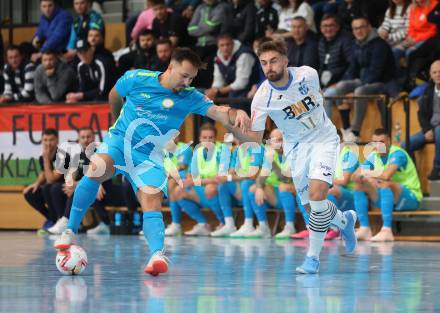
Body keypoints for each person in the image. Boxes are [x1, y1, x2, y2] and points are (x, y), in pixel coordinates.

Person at [54, 47, 251, 277]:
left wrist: (237, 112)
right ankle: (70, 230)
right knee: (97, 168)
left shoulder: (190, 96)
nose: (186, 82)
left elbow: (218, 111)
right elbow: (114, 96)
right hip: (120, 141)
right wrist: (117, 120)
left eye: (191, 78)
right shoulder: (137, 78)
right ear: (170, 67)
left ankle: (157, 254)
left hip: (150, 154)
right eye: (184, 75)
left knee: (151, 198)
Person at [235, 40, 357, 274]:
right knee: (313, 210)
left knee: (318, 194)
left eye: (273, 61)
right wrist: (237, 124)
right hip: (296, 149)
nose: (268, 67)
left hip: (323, 139)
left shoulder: (308, 75)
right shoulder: (261, 98)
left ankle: (312, 259)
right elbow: (255, 138)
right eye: (263, 63)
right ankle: (343, 221)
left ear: (285, 61)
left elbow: (318, 101)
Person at [352, 128, 422, 241]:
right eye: (375, 142)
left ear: (388, 141)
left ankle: (386, 230)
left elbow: (386, 176)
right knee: (359, 186)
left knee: (386, 183)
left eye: (381, 142)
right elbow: (354, 176)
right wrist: (366, 177)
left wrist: (368, 175)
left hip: (411, 197)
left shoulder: (398, 153)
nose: (378, 145)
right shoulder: (374, 156)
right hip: (388, 197)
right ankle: (364, 228)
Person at [248, 128, 309, 239]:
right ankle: (263, 227)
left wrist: (273, 163)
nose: (278, 144)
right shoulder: (272, 154)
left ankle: (290, 226)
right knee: (254, 189)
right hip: (281, 196)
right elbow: (261, 177)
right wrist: (259, 187)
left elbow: (287, 179)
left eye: (281, 140)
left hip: (298, 195)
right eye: (275, 141)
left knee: (283, 187)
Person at [23, 129, 68, 234]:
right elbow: (44, 173)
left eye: (51, 140)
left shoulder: (63, 156)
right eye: (45, 140)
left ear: (57, 141)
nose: (48, 143)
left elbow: (51, 179)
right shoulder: (43, 156)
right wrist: (36, 184)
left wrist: (47, 160)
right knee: (30, 193)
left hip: (65, 190)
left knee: (50, 187)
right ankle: (52, 219)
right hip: (52, 190)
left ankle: (61, 219)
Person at [404, 60, 440, 180]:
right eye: (434, 72)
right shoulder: (428, 90)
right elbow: (422, 114)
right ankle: (413, 178)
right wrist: (427, 130)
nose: (437, 75)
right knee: (405, 145)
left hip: (438, 130)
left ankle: (437, 168)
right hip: (431, 129)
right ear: (430, 74)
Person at [325, 129, 359, 240]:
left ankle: (335, 228)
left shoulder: (349, 155)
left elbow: (344, 181)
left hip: (353, 197)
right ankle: (311, 227)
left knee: (331, 190)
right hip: (337, 194)